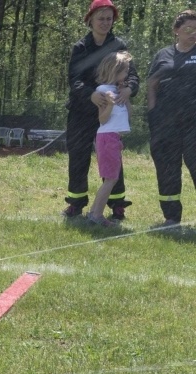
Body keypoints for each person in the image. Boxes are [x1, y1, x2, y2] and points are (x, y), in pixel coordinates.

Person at [63, 0, 138, 220]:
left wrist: (129, 89)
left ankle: (117, 204)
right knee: (78, 155)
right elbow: (73, 79)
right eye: (101, 18)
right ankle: (76, 202)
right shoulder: (81, 47)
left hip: (110, 113)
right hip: (82, 111)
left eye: (109, 18)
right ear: (90, 20)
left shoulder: (119, 45)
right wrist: (90, 94)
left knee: (113, 157)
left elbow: (132, 74)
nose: (105, 23)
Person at [147, 10, 196, 228]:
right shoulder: (163, 55)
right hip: (165, 123)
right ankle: (171, 218)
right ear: (176, 31)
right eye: (188, 29)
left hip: (193, 123)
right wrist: (153, 112)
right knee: (167, 169)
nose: (193, 33)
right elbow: (151, 84)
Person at [85, 51, 131, 227]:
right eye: (124, 71)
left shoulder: (116, 90)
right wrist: (110, 105)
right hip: (107, 137)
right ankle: (97, 215)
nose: (127, 75)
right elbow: (102, 120)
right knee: (110, 179)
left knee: (111, 178)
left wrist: (124, 95)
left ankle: (93, 213)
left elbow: (129, 115)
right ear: (115, 70)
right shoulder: (103, 91)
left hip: (114, 138)